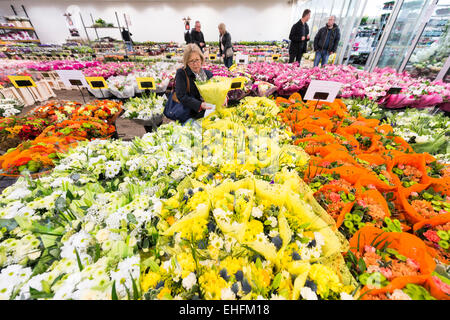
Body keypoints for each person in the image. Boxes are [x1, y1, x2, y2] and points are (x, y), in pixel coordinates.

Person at [172, 43, 213, 123]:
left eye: (197, 60)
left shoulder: (208, 74)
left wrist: (223, 98)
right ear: (186, 62)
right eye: (191, 61)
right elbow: (181, 96)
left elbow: (216, 90)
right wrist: (199, 105)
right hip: (189, 115)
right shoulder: (182, 73)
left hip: (207, 113)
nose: (195, 64)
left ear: (201, 59)